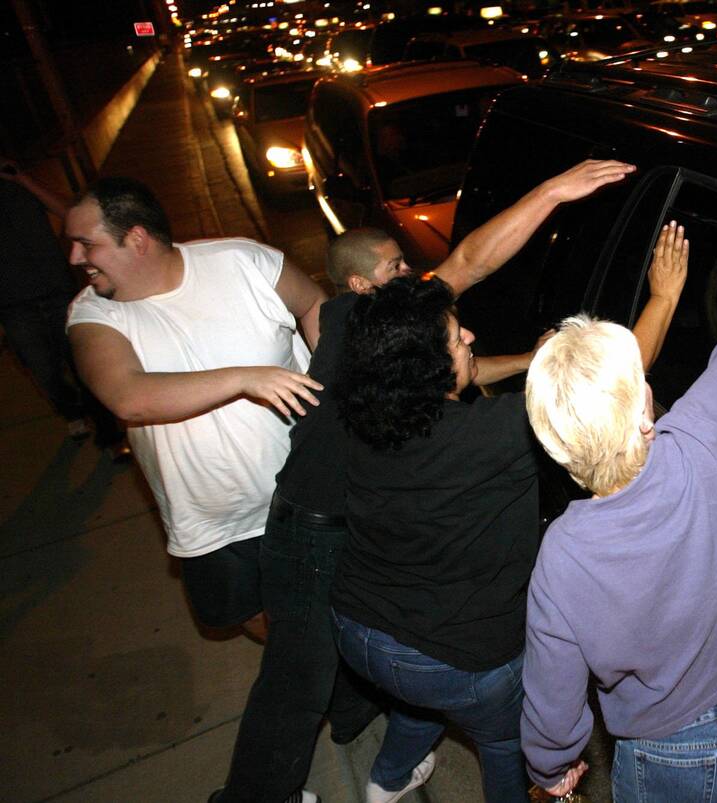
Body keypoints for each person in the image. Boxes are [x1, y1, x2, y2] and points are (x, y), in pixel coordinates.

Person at [217, 160, 638, 803]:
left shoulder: (382, 352)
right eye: (397, 271)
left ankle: (384, 774)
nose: (416, 276)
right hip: (311, 529)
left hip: (368, 583)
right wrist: (552, 190)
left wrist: (537, 357)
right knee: (295, 684)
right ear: (360, 286)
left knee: (408, 654)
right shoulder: (370, 325)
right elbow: (470, 262)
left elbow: (452, 370)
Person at [330, 218, 688, 803]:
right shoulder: (494, 438)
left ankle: (386, 782)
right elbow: (608, 386)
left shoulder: (369, 413)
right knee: (502, 742)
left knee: (423, 693)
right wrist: (666, 296)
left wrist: (534, 360)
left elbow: (472, 373)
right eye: (455, 338)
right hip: (460, 658)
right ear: (428, 370)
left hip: (361, 629)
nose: (469, 336)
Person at [521, 222, 717, 802]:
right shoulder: (706, 430)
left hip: (671, 761)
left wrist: (551, 769)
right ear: (646, 408)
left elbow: (552, 700)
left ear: (556, 450)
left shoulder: (563, 557)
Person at [65, 176, 325, 644]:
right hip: (215, 517)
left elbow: (314, 306)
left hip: (311, 486)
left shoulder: (243, 261)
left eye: (87, 244)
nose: (75, 258)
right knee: (251, 613)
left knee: (348, 592)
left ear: (136, 238)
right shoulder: (92, 316)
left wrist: (335, 382)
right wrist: (244, 377)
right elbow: (128, 396)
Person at [0, 157, 125, 454]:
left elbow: (71, 215)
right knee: (46, 374)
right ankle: (71, 410)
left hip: (59, 294)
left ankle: (109, 433)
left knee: (85, 365)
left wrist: (23, 179)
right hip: (14, 306)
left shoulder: (20, 185)